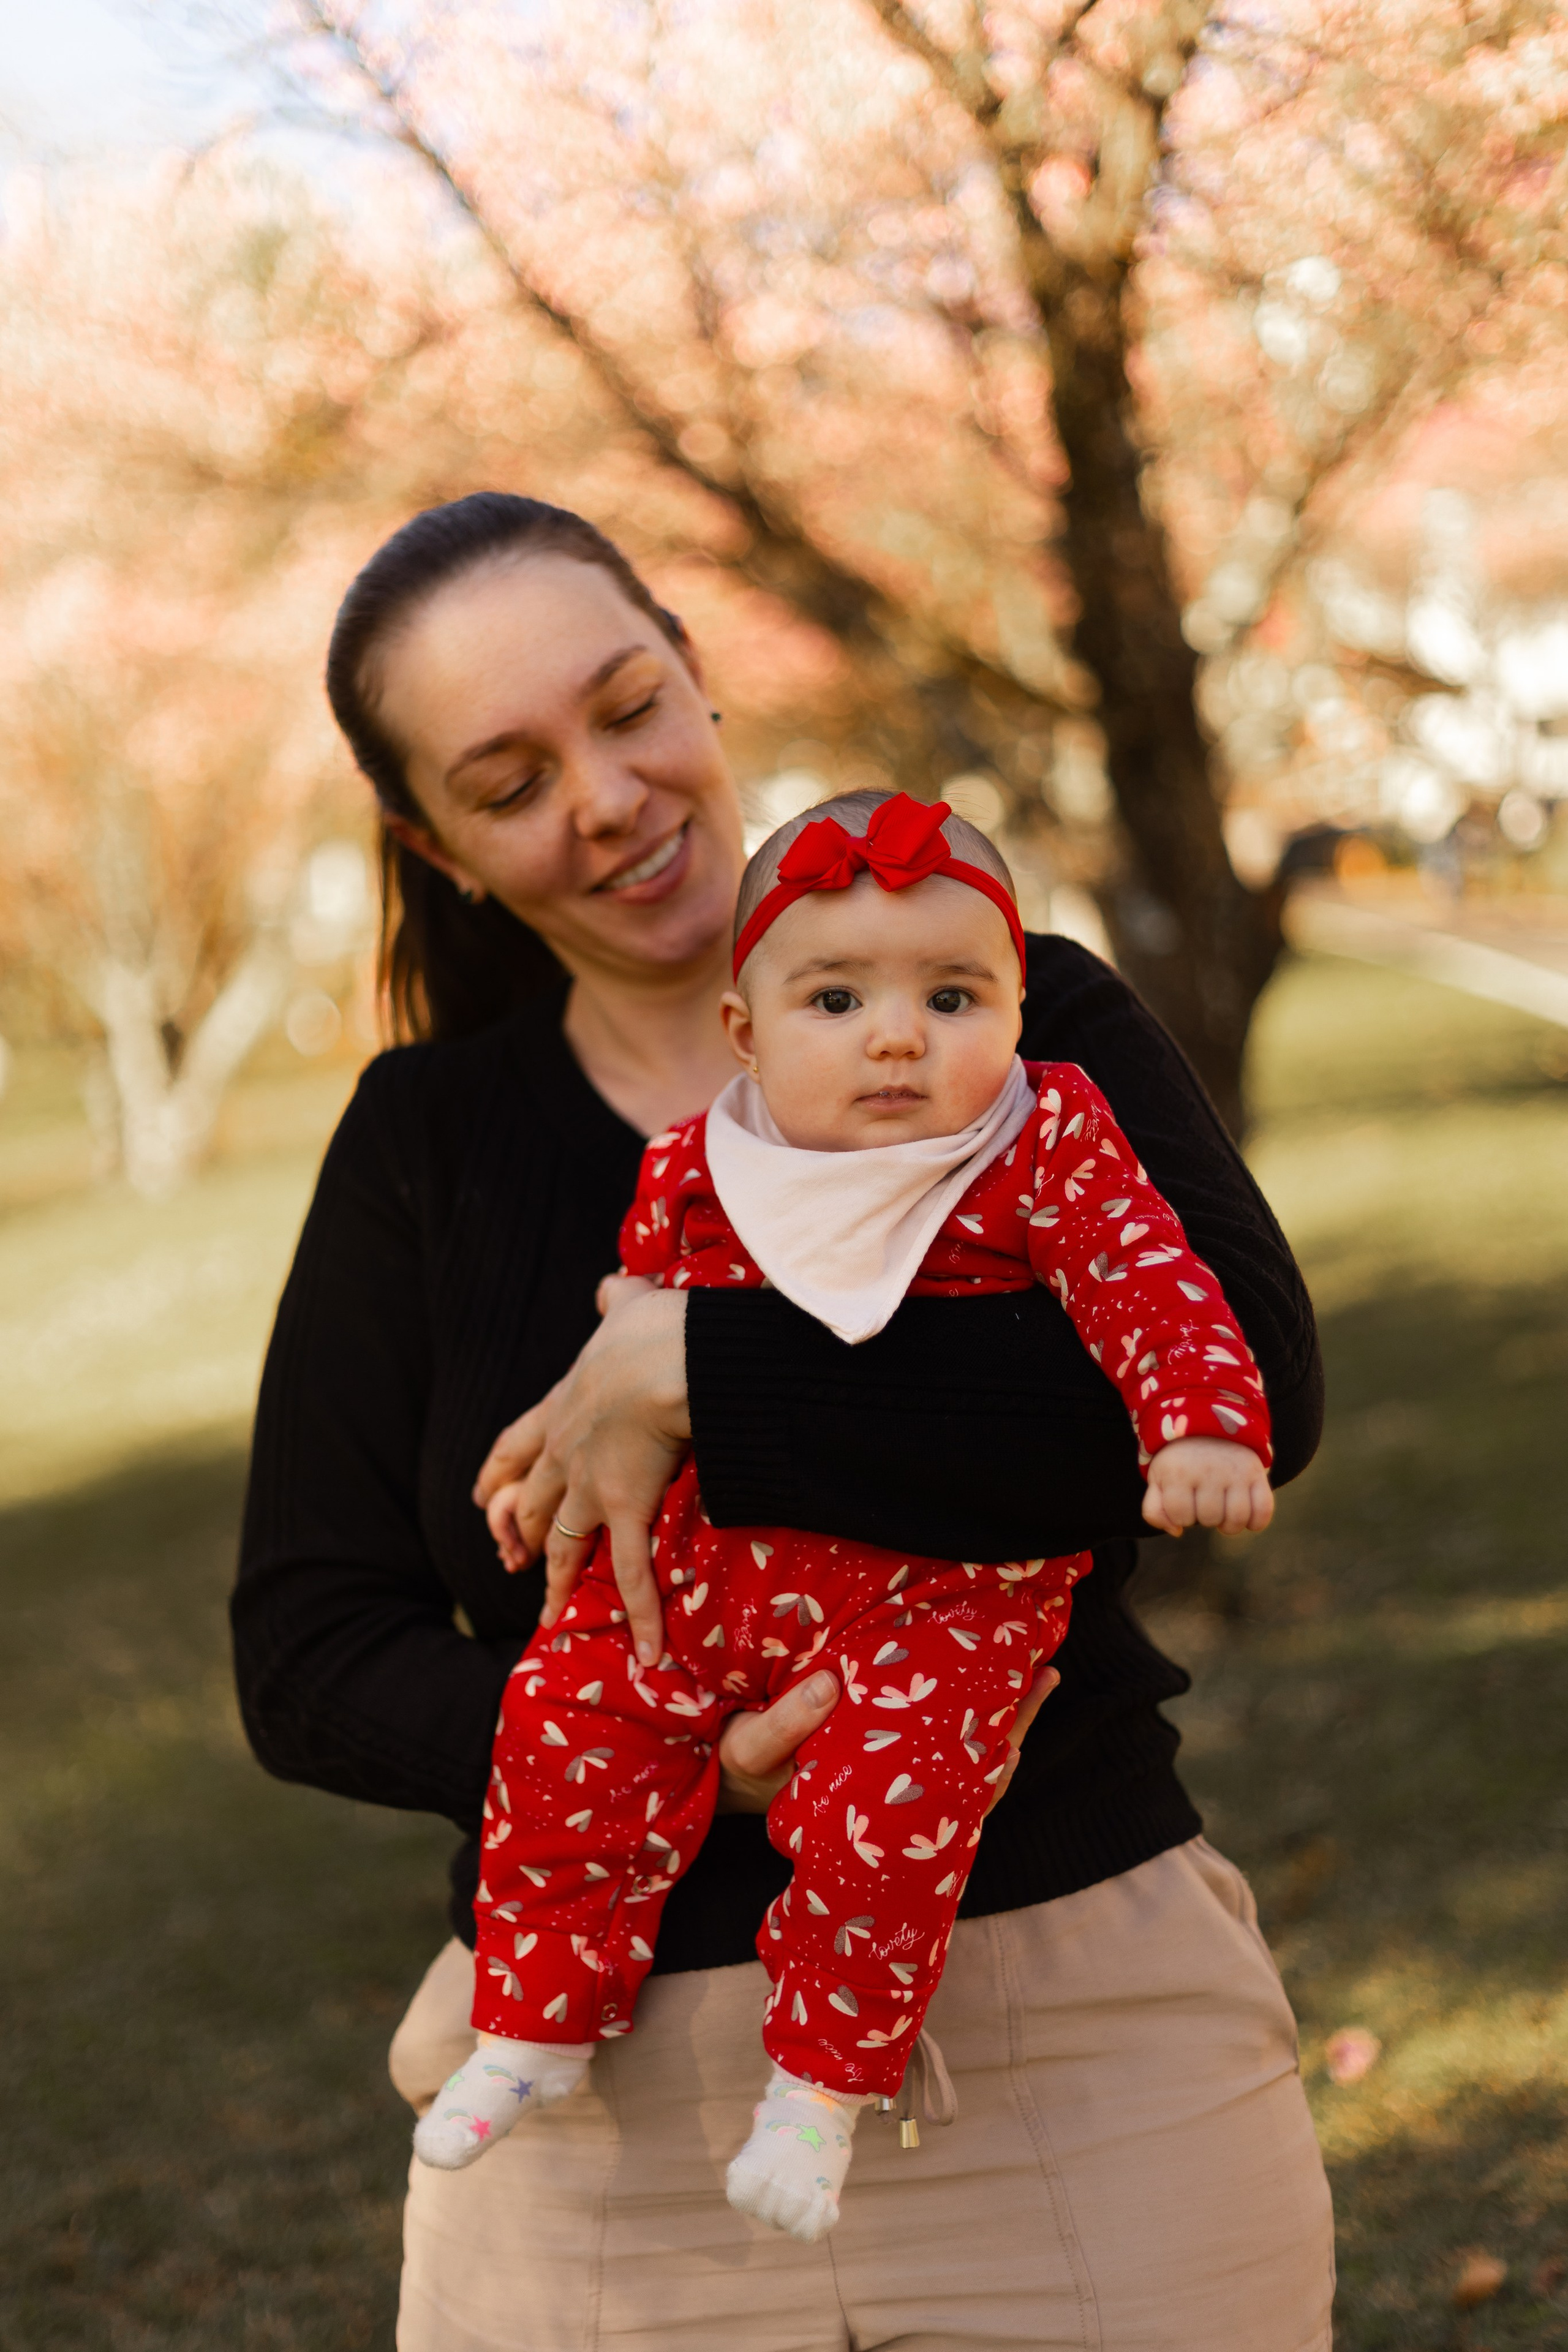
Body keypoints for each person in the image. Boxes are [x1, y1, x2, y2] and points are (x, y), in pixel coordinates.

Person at [233, 492, 1334, 2350]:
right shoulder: (430, 1148)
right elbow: (307, 1652)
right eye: (509, 783)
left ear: (701, 674)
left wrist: (699, 1377)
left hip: (1070, 2034)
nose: (604, 796)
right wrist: (661, 1750)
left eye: (626, 704)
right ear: (442, 847)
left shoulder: (1021, 1024)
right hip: (594, 2107)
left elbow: (1248, 1396)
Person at [415, 788, 1275, 2254]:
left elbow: (1148, 1282)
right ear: (747, 1034)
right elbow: (625, 1348)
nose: (897, 1035)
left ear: (1016, 1009)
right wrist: (548, 1468)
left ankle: (816, 2090)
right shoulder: (698, 1164)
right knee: (564, 1717)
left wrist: (1197, 1422)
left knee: (890, 1820)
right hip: (711, 1566)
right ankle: (534, 2019)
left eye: (952, 996)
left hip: (943, 1593)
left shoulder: (1040, 1139)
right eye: (837, 997)